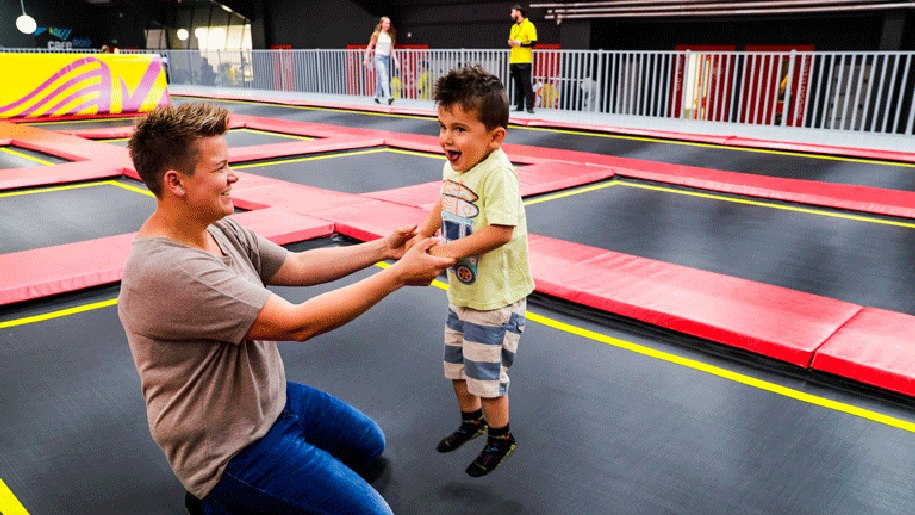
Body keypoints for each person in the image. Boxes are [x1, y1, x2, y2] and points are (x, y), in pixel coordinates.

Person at [118, 103, 454, 513]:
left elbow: (295, 265)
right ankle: (218, 500)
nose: (233, 176)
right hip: (230, 448)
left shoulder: (214, 225)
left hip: (273, 402)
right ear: (176, 182)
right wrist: (398, 275)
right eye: (221, 167)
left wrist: (383, 249)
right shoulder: (168, 270)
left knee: (369, 445)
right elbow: (298, 325)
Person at [411, 65, 535, 477]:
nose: (447, 138)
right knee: (457, 368)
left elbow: (500, 231)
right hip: (463, 292)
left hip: (494, 299)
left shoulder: (498, 173)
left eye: (460, 129)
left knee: (485, 375)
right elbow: (443, 200)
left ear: (495, 136)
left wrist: (445, 251)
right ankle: (473, 422)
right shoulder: (456, 167)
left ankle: (501, 437)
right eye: (443, 126)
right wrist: (421, 234)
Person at [508, 4, 537, 113]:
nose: (511, 14)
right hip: (514, 58)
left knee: (526, 83)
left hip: (524, 59)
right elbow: (511, 41)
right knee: (517, 83)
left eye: (513, 11)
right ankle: (519, 105)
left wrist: (518, 43)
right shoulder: (514, 27)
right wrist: (511, 43)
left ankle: (529, 106)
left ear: (518, 12)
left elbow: (533, 42)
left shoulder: (529, 25)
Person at [364, 16, 399, 105]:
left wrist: (396, 60)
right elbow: (370, 46)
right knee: (384, 76)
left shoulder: (389, 35)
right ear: (381, 24)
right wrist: (365, 59)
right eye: (386, 23)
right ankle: (388, 97)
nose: (388, 25)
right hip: (379, 57)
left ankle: (376, 96)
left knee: (380, 78)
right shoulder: (376, 34)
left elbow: (392, 49)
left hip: (386, 58)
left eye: (389, 23)